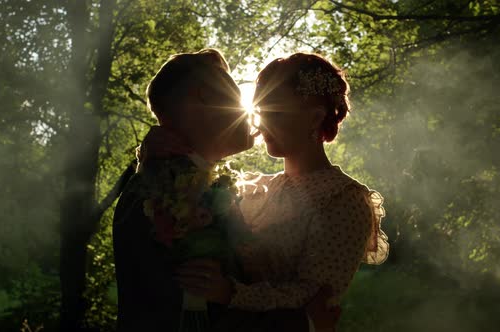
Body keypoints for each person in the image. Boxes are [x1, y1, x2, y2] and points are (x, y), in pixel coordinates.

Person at [146, 52, 389, 332]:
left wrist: (231, 293)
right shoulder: (250, 186)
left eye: (276, 112)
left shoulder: (343, 199)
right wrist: (153, 149)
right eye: (260, 111)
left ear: (315, 117)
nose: (261, 124)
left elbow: (316, 296)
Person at [112, 49, 337, 332]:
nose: (253, 116)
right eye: (237, 95)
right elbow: (197, 315)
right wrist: (306, 323)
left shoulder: (182, 181)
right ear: (206, 95)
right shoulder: (165, 198)